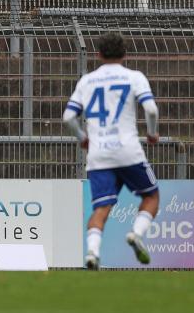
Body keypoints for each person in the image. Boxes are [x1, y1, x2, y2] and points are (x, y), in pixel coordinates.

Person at [62, 32, 160, 270]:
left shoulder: (87, 81)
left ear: (98, 54)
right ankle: (136, 233)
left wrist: (82, 138)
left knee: (101, 208)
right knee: (151, 196)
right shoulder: (134, 77)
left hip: (99, 153)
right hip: (127, 150)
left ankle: (93, 253)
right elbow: (151, 109)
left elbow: (68, 117)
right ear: (125, 54)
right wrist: (152, 132)